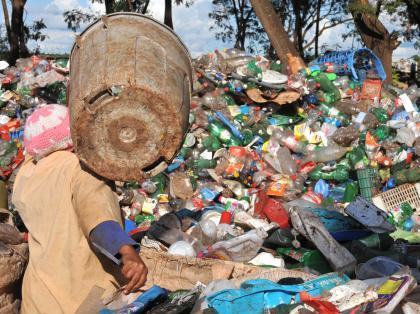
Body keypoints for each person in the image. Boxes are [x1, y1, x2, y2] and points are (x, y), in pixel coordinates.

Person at [12, 104, 148, 314]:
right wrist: (126, 251)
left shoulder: (26, 176)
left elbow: (35, 149)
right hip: (80, 298)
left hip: (38, 299)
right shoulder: (79, 168)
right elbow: (97, 216)